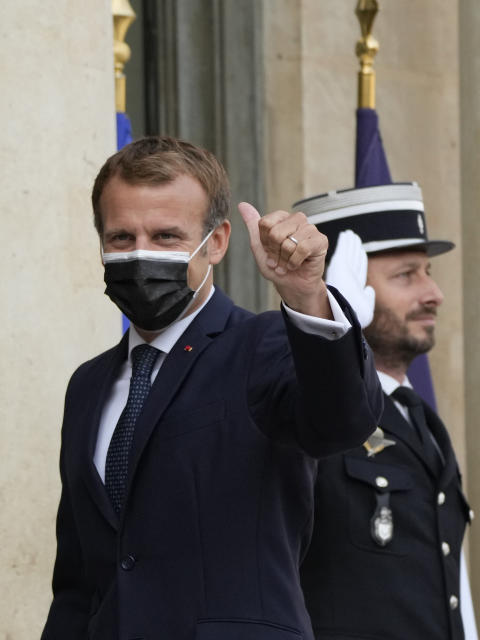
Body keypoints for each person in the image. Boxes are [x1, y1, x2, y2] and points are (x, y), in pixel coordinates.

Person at [40, 136, 382, 639]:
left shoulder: (265, 345)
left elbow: (341, 422)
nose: (140, 255)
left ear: (216, 242)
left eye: (165, 237)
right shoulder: (88, 385)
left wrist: (307, 296)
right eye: (120, 238)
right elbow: (77, 580)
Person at [296, 182, 477, 640]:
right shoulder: (298, 411)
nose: (434, 292)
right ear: (343, 283)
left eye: (428, 272)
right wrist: (327, 325)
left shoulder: (420, 417)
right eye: (406, 275)